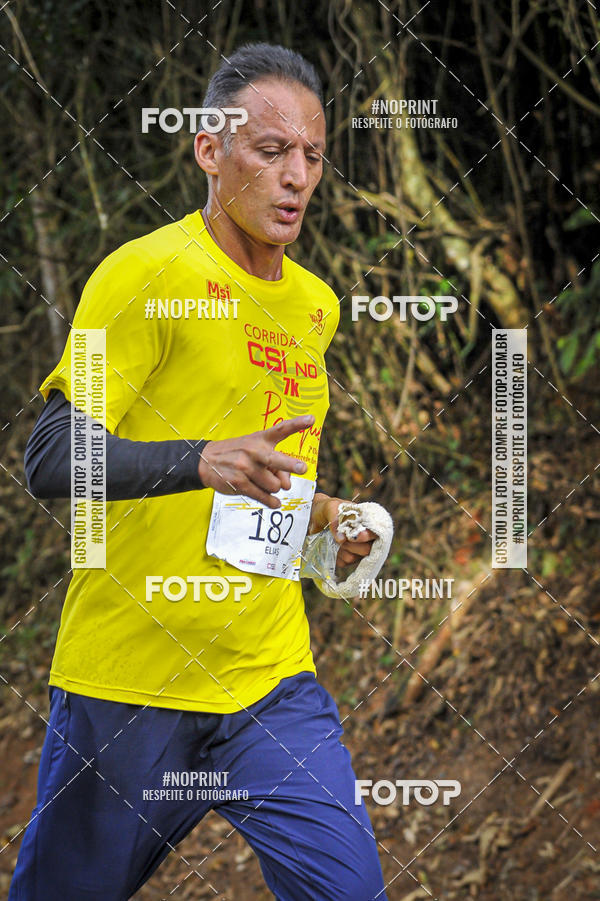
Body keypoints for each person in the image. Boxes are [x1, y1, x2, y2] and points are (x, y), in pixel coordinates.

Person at [10, 43, 389, 900]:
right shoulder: (142, 276)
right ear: (209, 152)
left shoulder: (314, 304)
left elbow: (266, 481)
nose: (297, 176)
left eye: (313, 156)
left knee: (351, 890)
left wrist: (326, 515)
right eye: (270, 151)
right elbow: (50, 453)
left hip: (269, 678)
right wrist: (199, 461)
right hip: (131, 686)